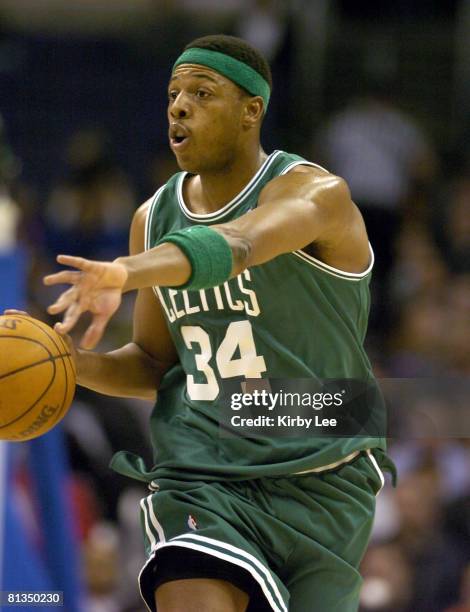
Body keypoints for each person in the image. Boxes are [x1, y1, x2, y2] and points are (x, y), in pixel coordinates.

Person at [38, 34, 396, 612]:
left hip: (324, 468)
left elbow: (240, 241)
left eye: (202, 93)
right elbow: (156, 363)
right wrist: (65, 364)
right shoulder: (152, 219)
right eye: (174, 93)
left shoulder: (317, 194)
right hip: (203, 471)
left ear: (252, 110)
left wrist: (126, 274)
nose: (179, 106)